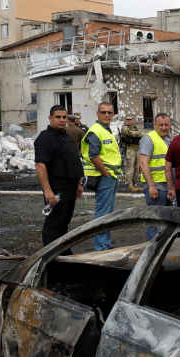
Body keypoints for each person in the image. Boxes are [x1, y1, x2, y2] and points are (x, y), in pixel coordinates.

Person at [33, 105, 84, 245]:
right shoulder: (45, 138)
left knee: (64, 221)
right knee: (54, 223)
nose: (62, 120)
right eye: (58, 117)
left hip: (70, 187)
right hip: (56, 187)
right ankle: (50, 256)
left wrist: (78, 184)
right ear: (50, 118)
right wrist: (47, 190)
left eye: (64, 117)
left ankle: (61, 251)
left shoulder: (67, 137)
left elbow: (74, 161)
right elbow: (40, 165)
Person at [80, 101, 122, 251]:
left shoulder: (106, 130)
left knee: (107, 212)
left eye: (109, 112)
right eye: (103, 112)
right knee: (103, 213)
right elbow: (93, 156)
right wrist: (106, 173)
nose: (106, 115)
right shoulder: (96, 131)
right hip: (104, 177)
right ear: (97, 114)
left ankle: (105, 243)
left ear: (113, 114)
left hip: (109, 176)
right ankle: (102, 245)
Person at [139, 113, 175, 213]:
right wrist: (151, 186)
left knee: (166, 220)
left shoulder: (169, 139)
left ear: (170, 125)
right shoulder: (149, 139)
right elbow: (143, 163)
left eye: (166, 125)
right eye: (161, 125)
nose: (164, 128)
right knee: (155, 220)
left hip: (167, 186)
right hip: (156, 186)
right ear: (155, 125)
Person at [120, 116, 143, 192]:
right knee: (130, 168)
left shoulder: (135, 127)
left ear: (133, 120)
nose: (128, 121)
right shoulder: (124, 128)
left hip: (137, 148)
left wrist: (135, 134)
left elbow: (141, 134)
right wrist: (136, 134)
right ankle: (130, 185)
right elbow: (129, 133)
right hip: (129, 149)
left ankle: (135, 184)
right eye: (127, 119)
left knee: (137, 168)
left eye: (130, 120)